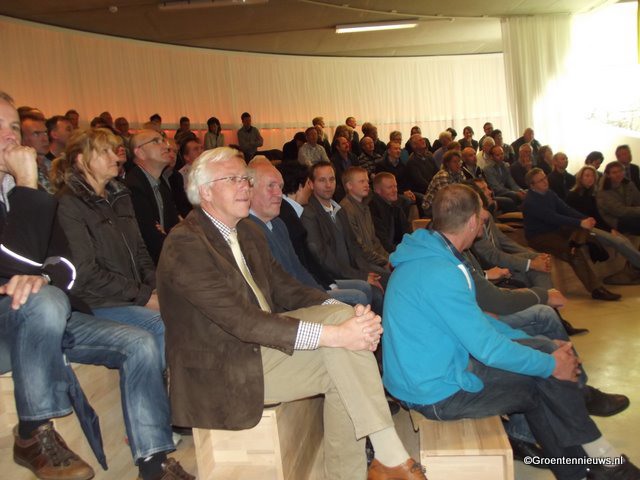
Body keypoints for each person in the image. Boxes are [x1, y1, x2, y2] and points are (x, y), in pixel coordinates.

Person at [156, 146, 426, 480]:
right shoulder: (185, 244)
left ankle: (361, 469)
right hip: (222, 369)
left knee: (345, 348)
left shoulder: (248, 231)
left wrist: (344, 313)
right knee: (341, 343)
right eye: (233, 179)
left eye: (245, 179)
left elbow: (287, 287)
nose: (245, 186)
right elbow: (240, 321)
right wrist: (335, 332)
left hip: (259, 348)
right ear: (205, 191)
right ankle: (388, 456)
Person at [382, 183, 640, 480]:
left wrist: (539, 347)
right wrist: (550, 364)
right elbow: (487, 349)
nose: (484, 220)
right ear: (471, 222)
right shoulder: (441, 271)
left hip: (429, 373)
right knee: (540, 382)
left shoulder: (428, 255)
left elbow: (480, 322)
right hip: (432, 392)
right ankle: (597, 461)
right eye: (481, 214)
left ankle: (590, 464)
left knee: (545, 353)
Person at [0, 92, 193, 480]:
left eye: (14, 126)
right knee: (47, 301)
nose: (10, 136)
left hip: (59, 311)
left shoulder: (114, 196)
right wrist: (26, 184)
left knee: (140, 341)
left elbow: (62, 264)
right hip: (46, 308)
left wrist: (43, 275)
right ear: (80, 159)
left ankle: (154, 462)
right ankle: (34, 431)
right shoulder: (52, 198)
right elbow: (36, 265)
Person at [52, 128, 166, 361]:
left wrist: (157, 288)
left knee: (183, 311)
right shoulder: (68, 204)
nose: (116, 157)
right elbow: (86, 272)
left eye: (114, 151)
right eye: (105, 152)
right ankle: (166, 384)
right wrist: (144, 296)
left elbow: (140, 251)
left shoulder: (120, 196)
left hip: (128, 296)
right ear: (81, 160)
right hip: (95, 302)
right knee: (162, 323)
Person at [248, 158, 372, 306]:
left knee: (363, 290)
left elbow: (299, 268)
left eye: (280, 187)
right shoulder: (250, 229)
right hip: (290, 304)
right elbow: (281, 287)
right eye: (270, 186)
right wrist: (324, 297)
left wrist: (322, 294)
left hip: (305, 292)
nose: (279, 194)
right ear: (250, 190)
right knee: (358, 296)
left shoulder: (278, 224)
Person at [523, 168, 640, 300]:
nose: (545, 181)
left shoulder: (549, 193)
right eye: (540, 180)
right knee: (573, 251)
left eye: (545, 177)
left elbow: (566, 209)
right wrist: (580, 222)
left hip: (556, 230)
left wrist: (585, 219)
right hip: (540, 237)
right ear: (532, 185)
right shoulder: (531, 202)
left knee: (583, 231)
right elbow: (553, 217)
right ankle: (596, 289)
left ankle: (587, 243)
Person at [126, 129, 180, 264]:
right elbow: (149, 237)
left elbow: (176, 228)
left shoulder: (161, 185)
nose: (166, 146)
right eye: (156, 141)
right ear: (140, 153)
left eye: (163, 141)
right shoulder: (133, 187)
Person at [340, 166, 390, 269]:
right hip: (361, 264)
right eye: (361, 181)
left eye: (367, 181)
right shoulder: (346, 210)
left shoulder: (365, 207)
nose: (367, 185)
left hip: (373, 260)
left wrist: (389, 258)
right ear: (349, 185)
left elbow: (374, 240)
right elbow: (358, 247)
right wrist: (384, 262)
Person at [369, 173, 411, 254]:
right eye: (390, 187)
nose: (395, 190)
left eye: (395, 186)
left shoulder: (395, 205)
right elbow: (383, 243)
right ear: (377, 191)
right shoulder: (373, 209)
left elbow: (407, 232)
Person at [597, 161, 640, 236]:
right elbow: (620, 211)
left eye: (621, 171)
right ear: (608, 175)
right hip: (613, 220)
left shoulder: (628, 184)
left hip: (627, 215)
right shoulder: (603, 191)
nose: (618, 174)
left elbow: (638, 199)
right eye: (614, 172)